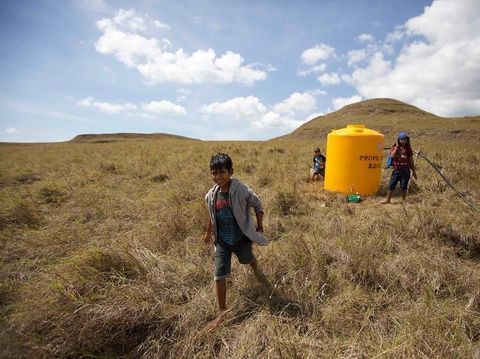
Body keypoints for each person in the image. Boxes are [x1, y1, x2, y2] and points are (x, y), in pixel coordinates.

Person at [204, 153, 269, 329]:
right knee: (219, 275)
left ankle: (254, 265)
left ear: (231, 171)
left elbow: (257, 204)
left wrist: (260, 226)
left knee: (246, 259)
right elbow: (212, 216)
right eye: (214, 173)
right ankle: (222, 312)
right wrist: (209, 234)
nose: (218, 177)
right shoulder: (211, 196)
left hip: (241, 239)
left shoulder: (241, 190)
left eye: (222, 172)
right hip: (223, 242)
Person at [383, 131, 417, 203]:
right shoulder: (394, 147)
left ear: (407, 140)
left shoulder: (408, 148)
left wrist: (413, 171)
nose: (403, 141)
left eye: (405, 139)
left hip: (405, 170)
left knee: (403, 186)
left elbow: (411, 160)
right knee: (391, 185)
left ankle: (403, 200)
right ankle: (388, 199)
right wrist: (397, 147)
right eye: (402, 139)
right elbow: (392, 156)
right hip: (396, 170)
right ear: (398, 140)